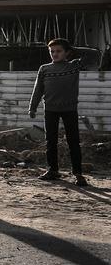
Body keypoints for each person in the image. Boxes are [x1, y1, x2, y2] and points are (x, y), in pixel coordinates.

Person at [29, 38, 87, 186]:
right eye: (52, 51)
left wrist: (72, 49)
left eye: (59, 51)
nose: (55, 54)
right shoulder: (44, 69)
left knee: (73, 141)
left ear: (67, 52)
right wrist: (32, 107)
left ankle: (78, 173)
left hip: (69, 109)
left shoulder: (74, 66)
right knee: (51, 141)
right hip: (50, 110)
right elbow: (38, 89)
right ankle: (53, 170)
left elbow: (92, 55)